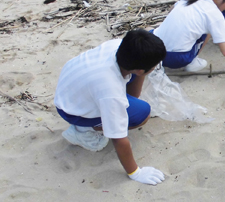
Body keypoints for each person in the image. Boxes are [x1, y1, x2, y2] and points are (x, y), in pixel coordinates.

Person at [54, 30, 167, 185]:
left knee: (132, 101)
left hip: (72, 89)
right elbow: (118, 138)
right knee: (142, 114)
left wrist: (141, 76)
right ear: (142, 69)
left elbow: (135, 82)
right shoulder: (110, 90)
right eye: (155, 66)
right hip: (72, 110)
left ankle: (96, 119)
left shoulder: (118, 46)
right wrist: (135, 172)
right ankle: (82, 131)